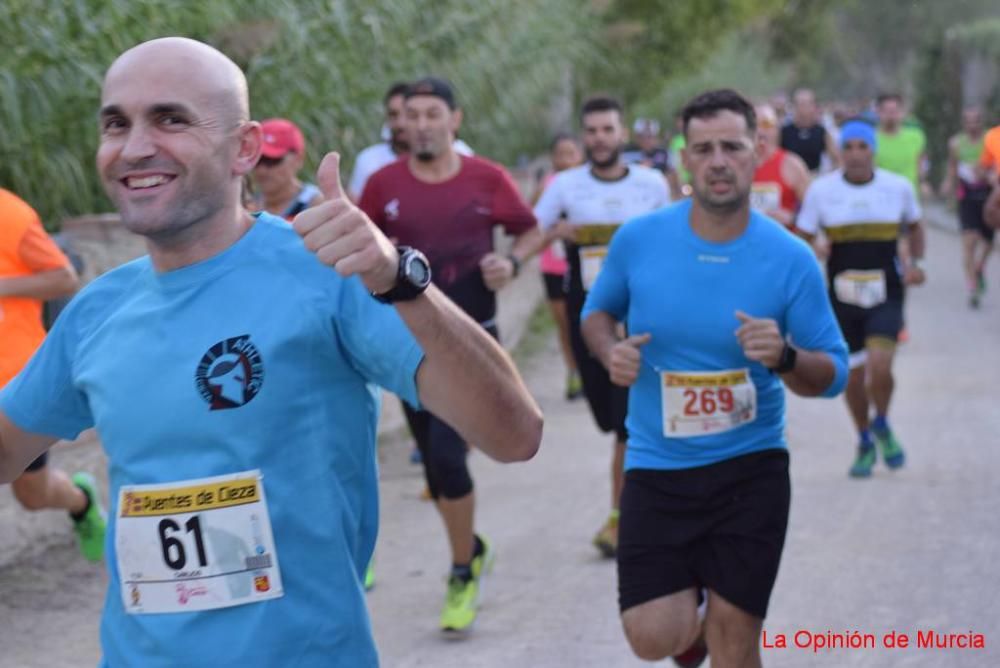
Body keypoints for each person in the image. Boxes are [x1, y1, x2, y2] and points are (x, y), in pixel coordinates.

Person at [0, 38, 542, 667]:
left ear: (245, 148)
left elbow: (514, 433)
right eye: (116, 123)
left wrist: (403, 280)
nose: (135, 146)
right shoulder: (98, 311)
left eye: (170, 119)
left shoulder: (330, 274)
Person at [581, 88, 848, 668]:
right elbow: (595, 314)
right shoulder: (639, 240)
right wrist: (610, 352)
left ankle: (719, 623)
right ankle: (692, 625)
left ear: (757, 151)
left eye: (731, 146)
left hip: (749, 472)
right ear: (684, 160)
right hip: (657, 468)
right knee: (653, 638)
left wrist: (783, 357)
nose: (718, 161)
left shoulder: (789, 257)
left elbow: (833, 373)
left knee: (735, 639)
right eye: (703, 149)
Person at [358, 76, 541, 632]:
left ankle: (461, 569)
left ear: (454, 120)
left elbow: (527, 232)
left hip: (472, 343)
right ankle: (472, 548)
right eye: (410, 115)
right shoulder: (382, 183)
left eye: (431, 114)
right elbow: (363, 247)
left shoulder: (487, 178)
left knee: (445, 456)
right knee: (437, 472)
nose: (419, 124)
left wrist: (511, 263)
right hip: (404, 349)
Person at [532, 95, 670, 559]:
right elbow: (534, 227)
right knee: (608, 417)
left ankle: (622, 517)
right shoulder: (566, 186)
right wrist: (517, 255)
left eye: (608, 129)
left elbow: (676, 236)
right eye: (591, 131)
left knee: (628, 427)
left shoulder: (651, 184)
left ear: (622, 132)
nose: (600, 138)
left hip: (642, 318)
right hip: (587, 314)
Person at [796, 121, 926, 478]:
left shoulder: (897, 188)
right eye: (848, 147)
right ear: (839, 151)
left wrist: (918, 264)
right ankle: (865, 437)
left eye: (862, 147)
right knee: (852, 379)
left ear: (873, 150)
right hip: (841, 298)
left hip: (887, 293)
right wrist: (814, 247)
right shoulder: (822, 192)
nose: (855, 154)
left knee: (880, 368)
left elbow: (915, 226)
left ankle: (882, 420)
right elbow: (801, 237)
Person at [1, 187, 105, 562]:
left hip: (12, 381)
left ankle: (80, 501)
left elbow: (62, 278)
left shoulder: (10, 214)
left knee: (32, 494)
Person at [348, 82, 473, 201]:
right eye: (393, 115)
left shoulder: (459, 153)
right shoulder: (369, 161)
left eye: (409, 115)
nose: (401, 123)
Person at [530, 132, 585, 400]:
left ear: (580, 156)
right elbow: (531, 229)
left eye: (570, 153)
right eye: (559, 154)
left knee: (587, 321)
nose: (565, 160)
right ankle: (574, 372)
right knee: (564, 325)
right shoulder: (547, 185)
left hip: (586, 266)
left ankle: (592, 371)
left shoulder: (589, 185)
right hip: (553, 265)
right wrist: (555, 232)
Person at [940, 107, 993, 308]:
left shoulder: (991, 141)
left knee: (988, 243)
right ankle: (972, 286)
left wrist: (988, 175)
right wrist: (948, 184)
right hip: (967, 196)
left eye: (976, 121)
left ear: (981, 122)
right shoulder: (956, 143)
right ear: (963, 123)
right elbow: (953, 167)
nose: (972, 125)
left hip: (988, 197)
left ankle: (980, 267)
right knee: (969, 241)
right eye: (968, 121)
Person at [751, 104, 811, 231]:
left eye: (767, 124)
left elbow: (814, 213)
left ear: (777, 128)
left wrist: (793, 218)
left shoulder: (792, 165)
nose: (760, 131)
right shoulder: (735, 165)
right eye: (754, 125)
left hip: (784, 242)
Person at [252, 118, 323, 220]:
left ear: (298, 159)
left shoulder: (314, 204)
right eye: (257, 160)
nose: (262, 170)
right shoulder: (248, 206)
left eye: (272, 161)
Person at [875, 93, 927, 195]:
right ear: (878, 112)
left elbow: (921, 163)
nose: (891, 115)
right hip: (881, 197)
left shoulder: (916, 136)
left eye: (894, 111)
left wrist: (923, 183)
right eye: (886, 111)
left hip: (909, 197)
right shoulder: (870, 139)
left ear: (902, 112)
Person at [780, 88, 840, 173]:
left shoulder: (821, 132)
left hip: (814, 177)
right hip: (790, 177)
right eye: (800, 104)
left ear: (814, 107)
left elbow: (836, 159)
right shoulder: (784, 131)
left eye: (807, 104)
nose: (803, 108)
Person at [624, 118, 682, 199]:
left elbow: (674, 176)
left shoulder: (664, 153)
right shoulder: (627, 153)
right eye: (643, 137)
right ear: (637, 137)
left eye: (650, 136)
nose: (647, 140)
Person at [979, 122, 1000, 231]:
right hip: (997, 187)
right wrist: (990, 176)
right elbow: (983, 167)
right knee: (990, 214)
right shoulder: (992, 136)